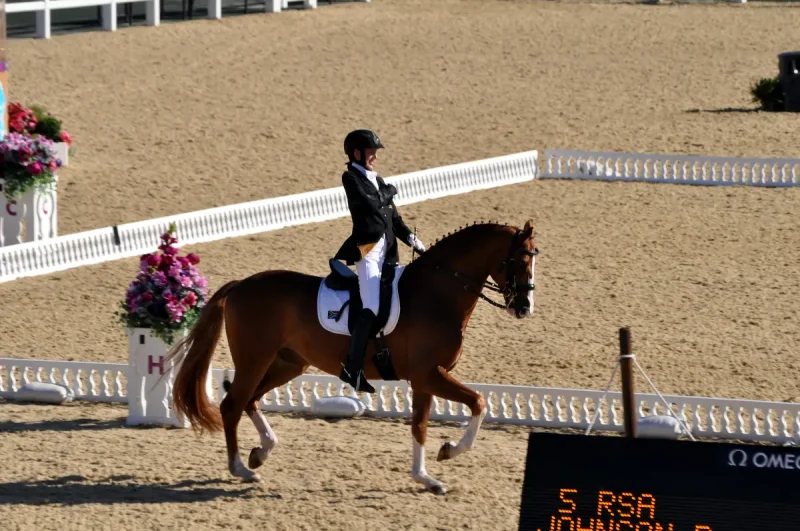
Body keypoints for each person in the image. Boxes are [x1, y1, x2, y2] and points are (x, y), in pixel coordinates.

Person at [333, 129, 426, 393]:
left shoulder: (378, 180)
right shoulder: (351, 178)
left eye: (375, 152)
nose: (375, 156)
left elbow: (393, 219)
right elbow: (371, 204)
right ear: (356, 153)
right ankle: (352, 367)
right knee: (372, 306)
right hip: (368, 252)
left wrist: (413, 241)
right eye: (371, 151)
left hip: (389, 252)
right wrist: (390, 191)